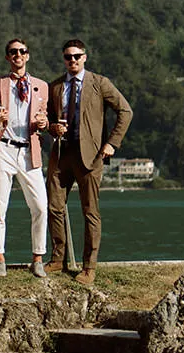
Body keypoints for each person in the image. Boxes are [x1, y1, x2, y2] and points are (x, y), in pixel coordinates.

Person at [46, 38, 133, 286]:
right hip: (61, 154)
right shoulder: (55, 86)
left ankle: (89, 267)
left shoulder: (99, 83)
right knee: (54, 207)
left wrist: (112, 143)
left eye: (76, 56)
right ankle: (57, 258)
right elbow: (50, 121)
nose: (72, 60)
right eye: (67, 57)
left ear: (85, 57)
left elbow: (125, 111)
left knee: (90, 212)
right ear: (63, 59)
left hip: (91, 156)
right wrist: (53, 128)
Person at [0, 38, 51, 278]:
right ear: (7, 57)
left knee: (40, 207)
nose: (17, 55)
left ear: (28, 56)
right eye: (13, 52)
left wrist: (43, 123)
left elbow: (43, 117)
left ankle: (37, 258)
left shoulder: (41, 86)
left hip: (29, 150)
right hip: (3, 148)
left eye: (22, 51)